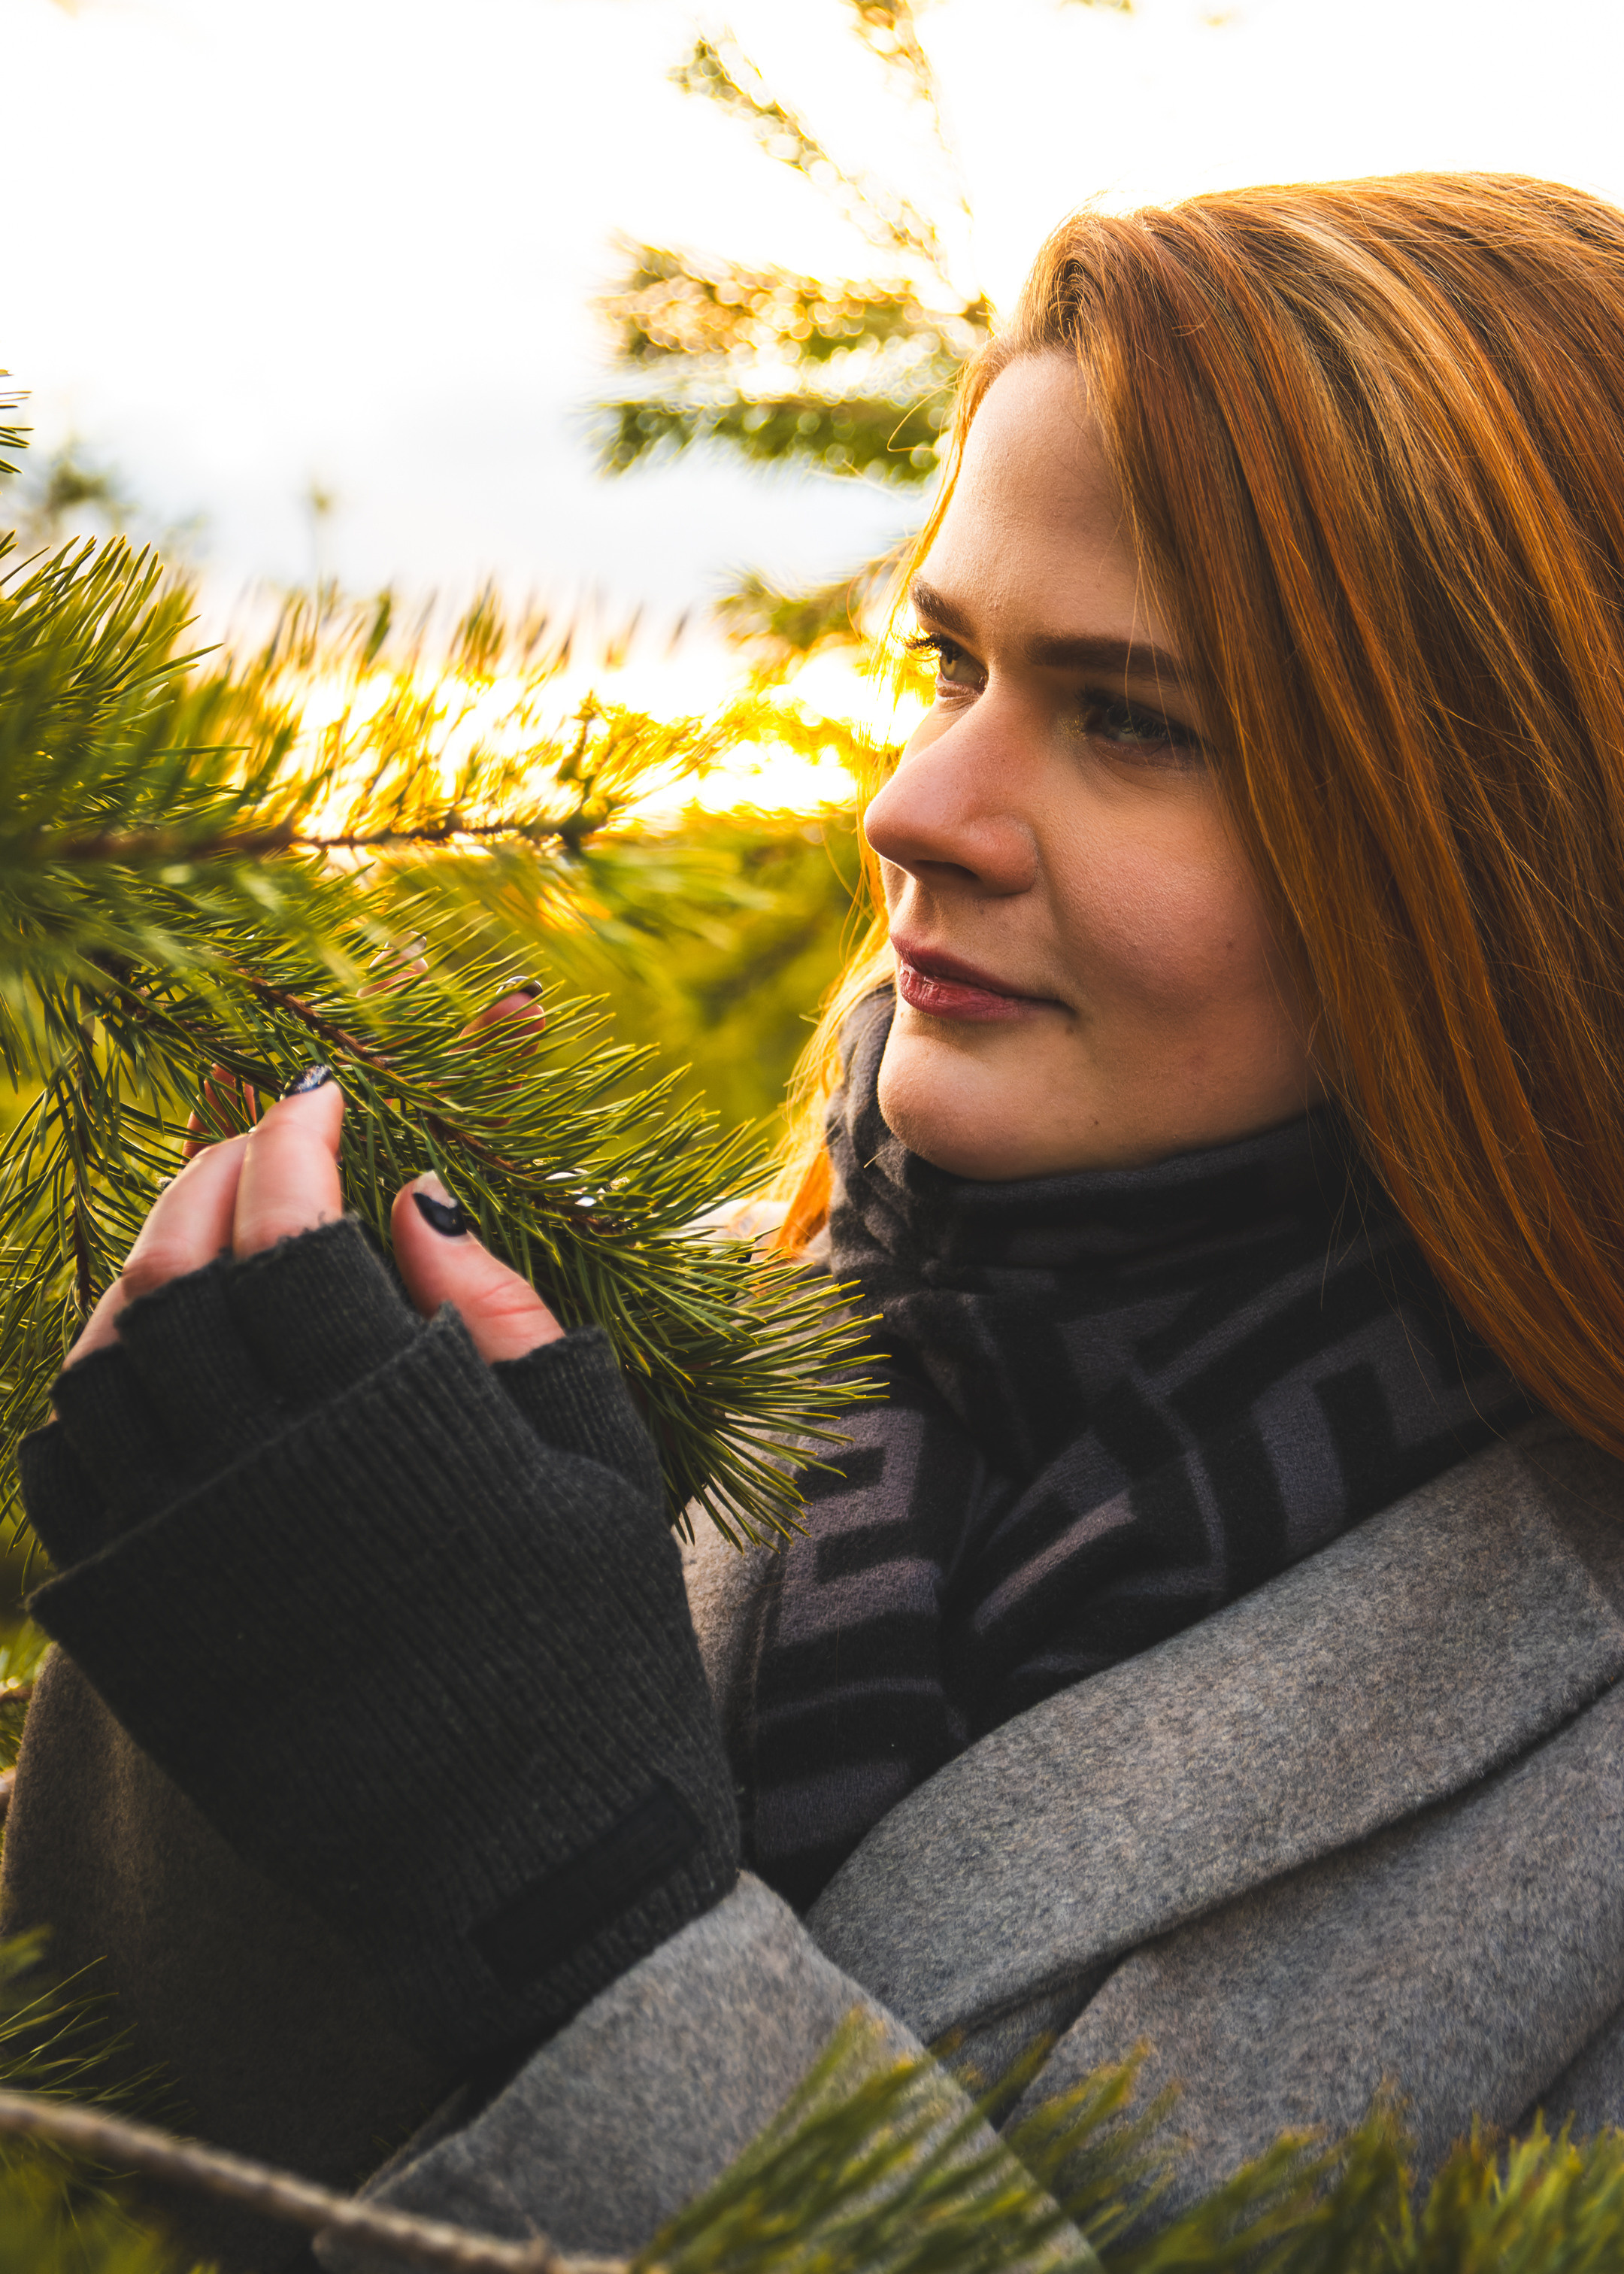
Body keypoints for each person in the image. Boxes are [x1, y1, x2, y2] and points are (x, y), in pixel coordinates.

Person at [10, 168, 1624, 2272]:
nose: (915, 806)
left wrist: (584, 1906)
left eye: (1132, 718)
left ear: (1509, 845)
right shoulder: (640, 1365)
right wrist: (243, 1707)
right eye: (946, 661)